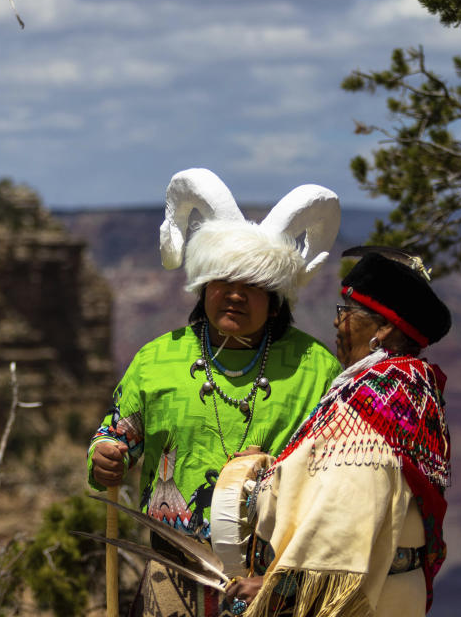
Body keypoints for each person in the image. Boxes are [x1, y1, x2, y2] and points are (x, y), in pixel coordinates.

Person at [87, 168, 343, 617]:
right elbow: (116, 437)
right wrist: (105, 454)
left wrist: (286, 578)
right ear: (204, 283)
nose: (235, 296)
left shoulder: (315, 369)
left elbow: (336, 484)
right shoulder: (156, 360)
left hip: (273, 589)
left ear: (276, 296)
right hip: (174, 576)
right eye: (223, 280)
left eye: (253, 286)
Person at [224, 248, 452, 617]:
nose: (337, 322)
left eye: (346, 311)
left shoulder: (371, 401)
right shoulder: (413, 387)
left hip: (360, 598)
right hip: (392, 589)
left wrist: (278, 587)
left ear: (383, 328)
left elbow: (341, 517)